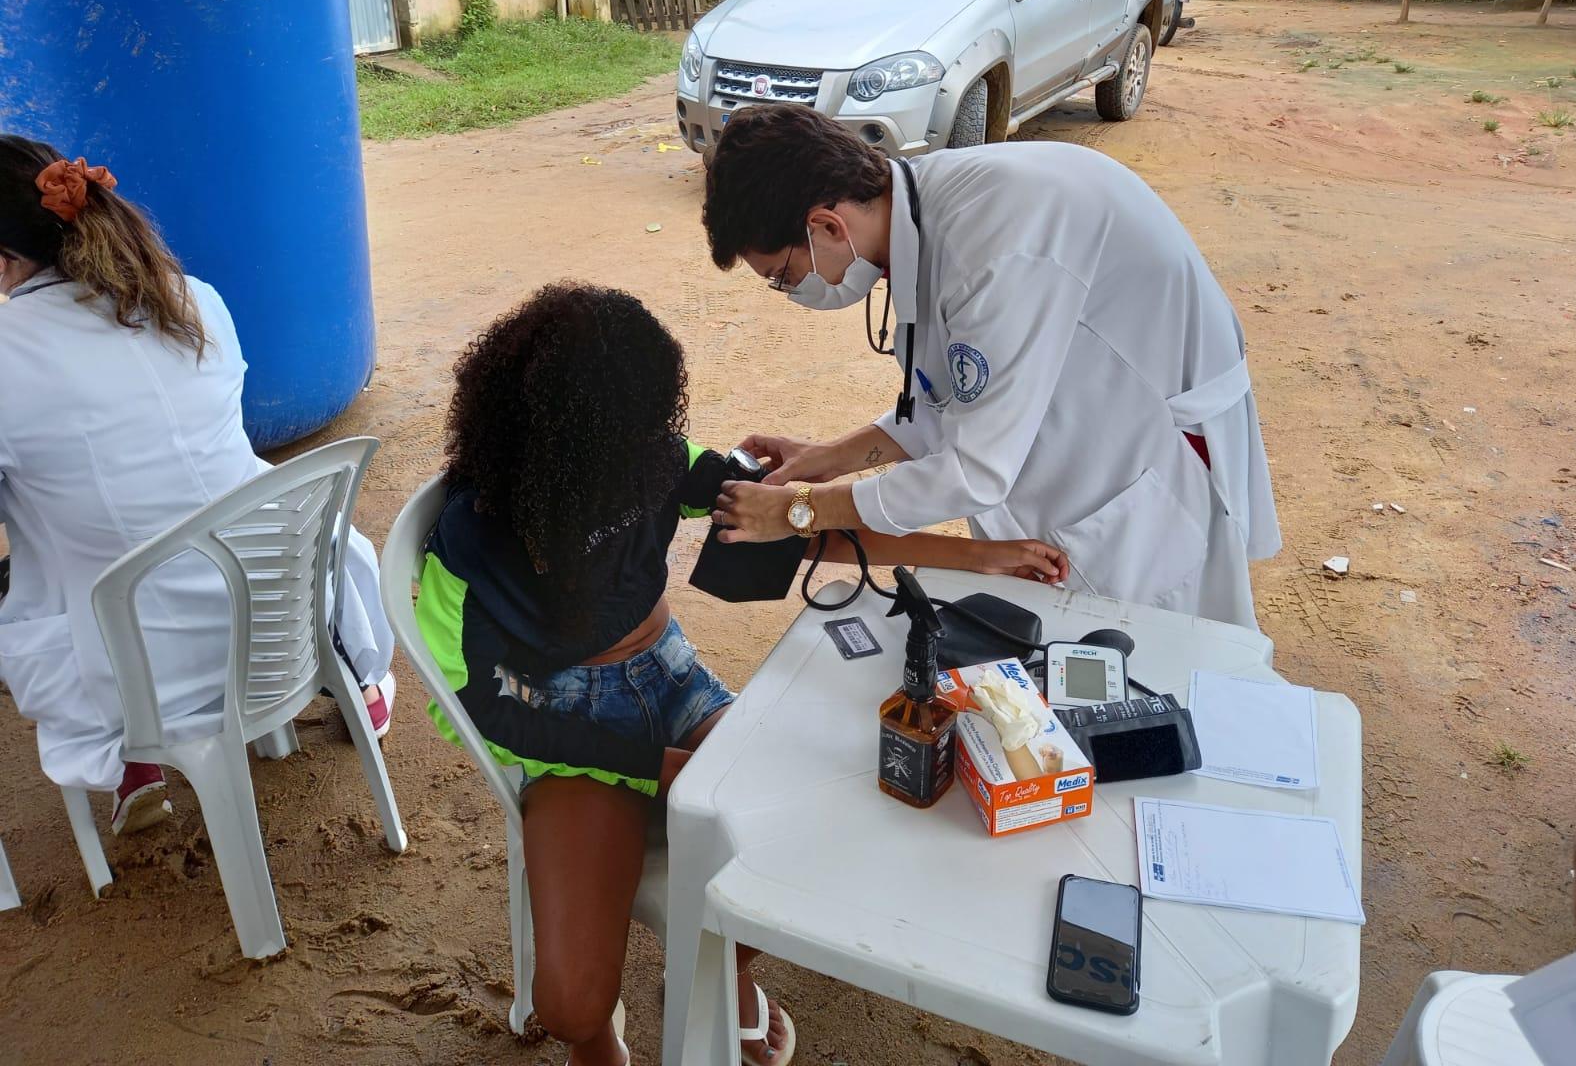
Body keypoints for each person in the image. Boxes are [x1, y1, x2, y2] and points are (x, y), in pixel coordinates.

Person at [414, 283, 1064, 1066]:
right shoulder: (469, 543)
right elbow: (477, 711)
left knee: (811, 840)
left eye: (656, 429)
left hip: (671, 678)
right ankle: (599, 1039)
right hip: (568, 728)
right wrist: (647, 767)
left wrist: (979, 555)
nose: (657, 452)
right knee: (570, 1005)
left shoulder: (653, 458)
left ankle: (727, 970)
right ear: (561, 444)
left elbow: (803, 528)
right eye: (631, 442)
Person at [701, 105, 1281, 630]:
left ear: (827, 226)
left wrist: (801, 511)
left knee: (1160, 655)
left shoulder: (999, 242)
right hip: (1083, 419)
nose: (793, 290)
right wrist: (828, 457)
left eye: (783, 274)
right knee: (1081, 638)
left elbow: (975, 470)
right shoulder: (925, 210)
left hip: (1147, 450)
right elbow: (946, 399)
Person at [0, 135, 397, 836]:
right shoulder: (193, 299)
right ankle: (357, 679)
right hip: (283, 617)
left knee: (38, 563)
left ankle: (127, 758)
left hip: (150, 665)